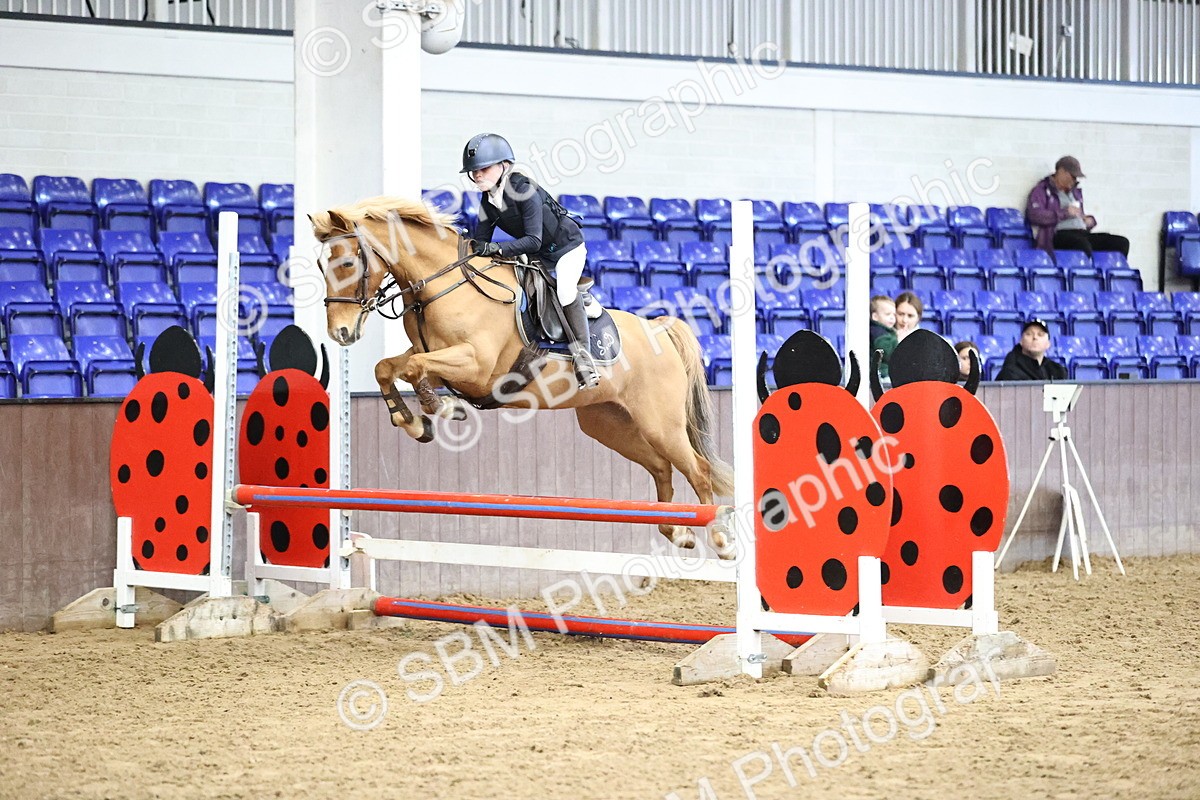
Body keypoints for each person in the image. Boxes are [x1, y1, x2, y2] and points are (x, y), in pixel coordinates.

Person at [461, 132, 599, 389]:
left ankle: (584, 359)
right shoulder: (488, 199)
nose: (477, 175)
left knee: (565, 291)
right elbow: (480, 241)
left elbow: (533, 240)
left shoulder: (524, 190)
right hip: (538, 255)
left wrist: (494, 247)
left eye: (483, 168)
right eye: (474, 171)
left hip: (566, 248)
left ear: (504, 166)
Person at [1026, 156, 1129, 257]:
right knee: (1082, 245)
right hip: (1058, 234)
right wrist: (1064, 213)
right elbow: (1034, 215)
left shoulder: (1075, 193)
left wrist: (1088, 221)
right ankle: (1087, 273)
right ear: (1061, 172)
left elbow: (1079, 215)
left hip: (1081, 233)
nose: (1074, 181)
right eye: (1073, 176)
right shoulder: (1042, 190)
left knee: (1121, 243)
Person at [996, 319, 1068, 381]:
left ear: (1048, 344)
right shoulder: (1010, 370)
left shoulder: (1058, 371)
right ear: (1021, 341)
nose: (1035, 337)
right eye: (1029, 334)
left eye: (1040, 334)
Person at [870, 295, 898, 378]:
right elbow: (887, 353)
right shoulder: (878, 332)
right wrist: (899, 340)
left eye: (894, 315)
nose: (892, 318)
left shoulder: (886, 331)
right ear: (875, 316)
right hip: (881, 373)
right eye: (887, 314)